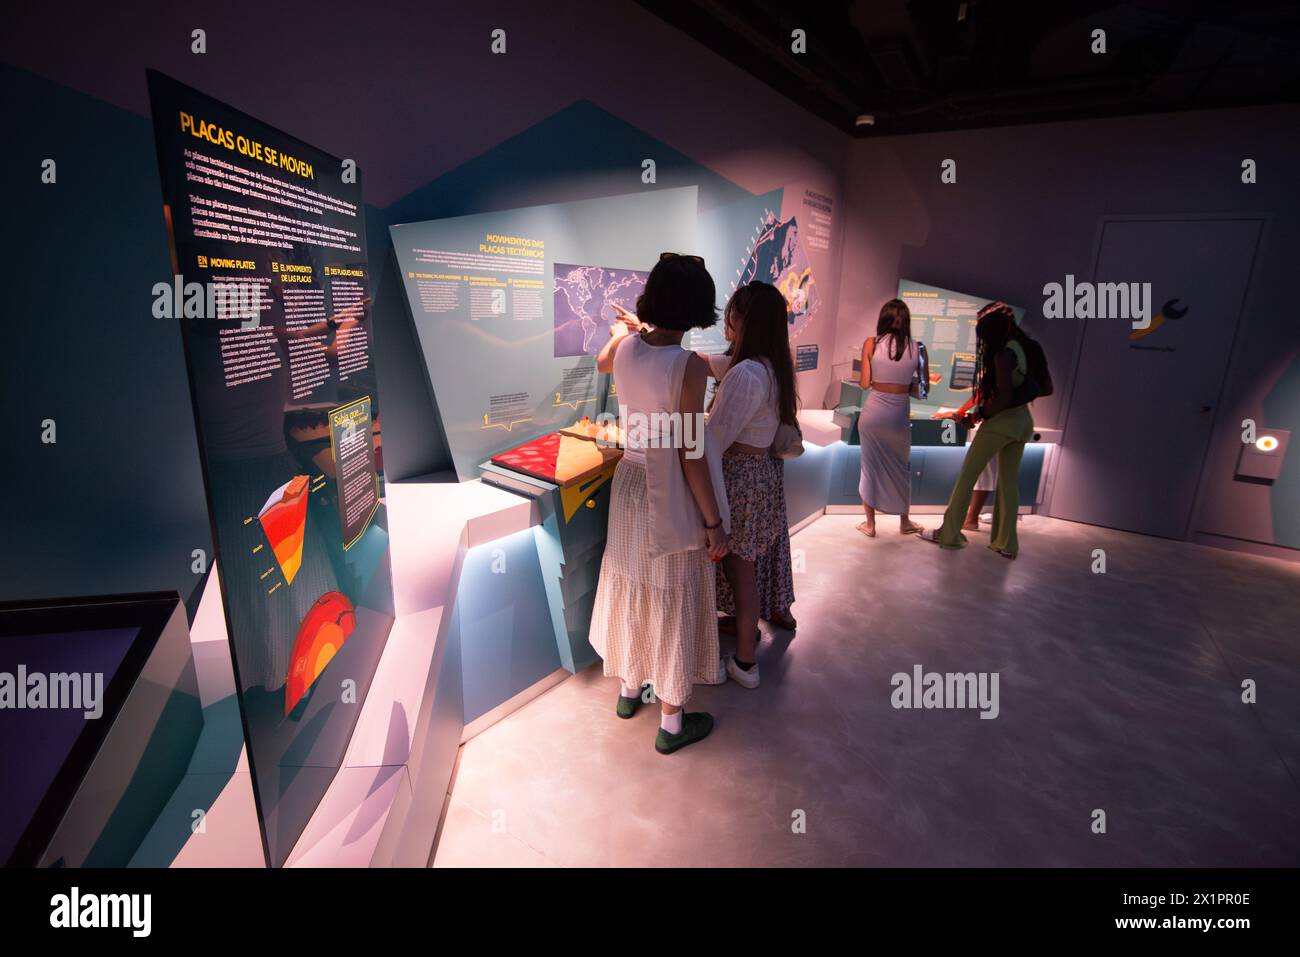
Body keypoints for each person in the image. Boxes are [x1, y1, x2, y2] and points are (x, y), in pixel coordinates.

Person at [589, 253, 730, 754]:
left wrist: (630, 327)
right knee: (672, 591)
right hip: (668, 486)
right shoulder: (689, 366)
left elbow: (605, 361)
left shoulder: (625, 348)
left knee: (632, 580)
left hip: (629, 479)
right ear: (696, 307)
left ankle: (630, 688)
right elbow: (691, 452)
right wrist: (714, 522)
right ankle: (671, 721)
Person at [696, 281, 799, 689]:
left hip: (739, 480)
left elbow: (715, 439)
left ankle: (744, 662)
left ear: (744, 319)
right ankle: (746, 637)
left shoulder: (746, 374)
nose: (727, 319)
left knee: (740, 569)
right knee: (746, 567)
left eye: (733, 312)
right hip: (761, 479)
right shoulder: (771, 366)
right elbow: (709, 363)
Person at [921, 302, 1034, 558]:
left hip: (1000, 424)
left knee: (967, 477)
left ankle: (949, 534)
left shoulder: (1002, 355)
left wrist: (979, 415)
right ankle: (1007, 544)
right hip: (1022, 422)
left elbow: (1003, 397)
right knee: (1008, 482)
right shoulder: (1019, 349)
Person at [857, 299, 925, 537]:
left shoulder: (871, 343)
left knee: (869, 467)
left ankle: (870, 524)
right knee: (901, 467)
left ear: (883, 318)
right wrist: (905, 384)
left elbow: (864, 384)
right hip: (898, 417)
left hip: (873, 414)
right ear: (906, 320)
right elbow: (923, 392)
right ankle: (904, 522)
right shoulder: (919, 347)